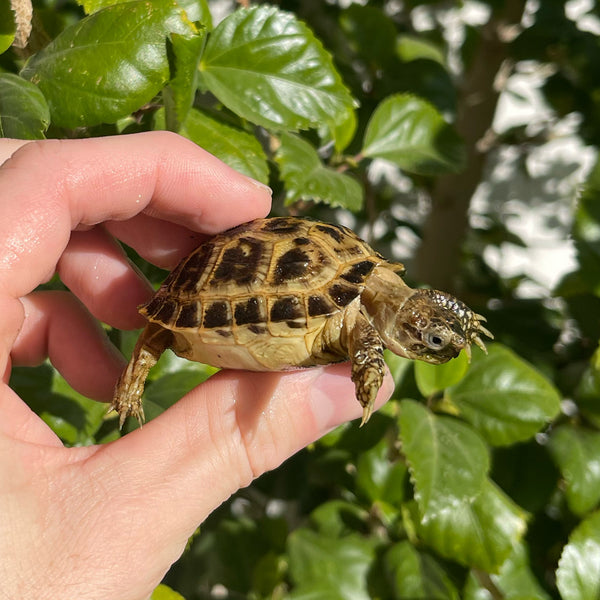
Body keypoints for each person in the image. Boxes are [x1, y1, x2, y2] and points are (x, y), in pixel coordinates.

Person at [0, 132, 393, 599]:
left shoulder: (366, 308)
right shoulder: (358, 322)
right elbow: (364, 340)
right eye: (426, 338)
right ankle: (130, 388)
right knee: (159, 333)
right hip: (226, 291)